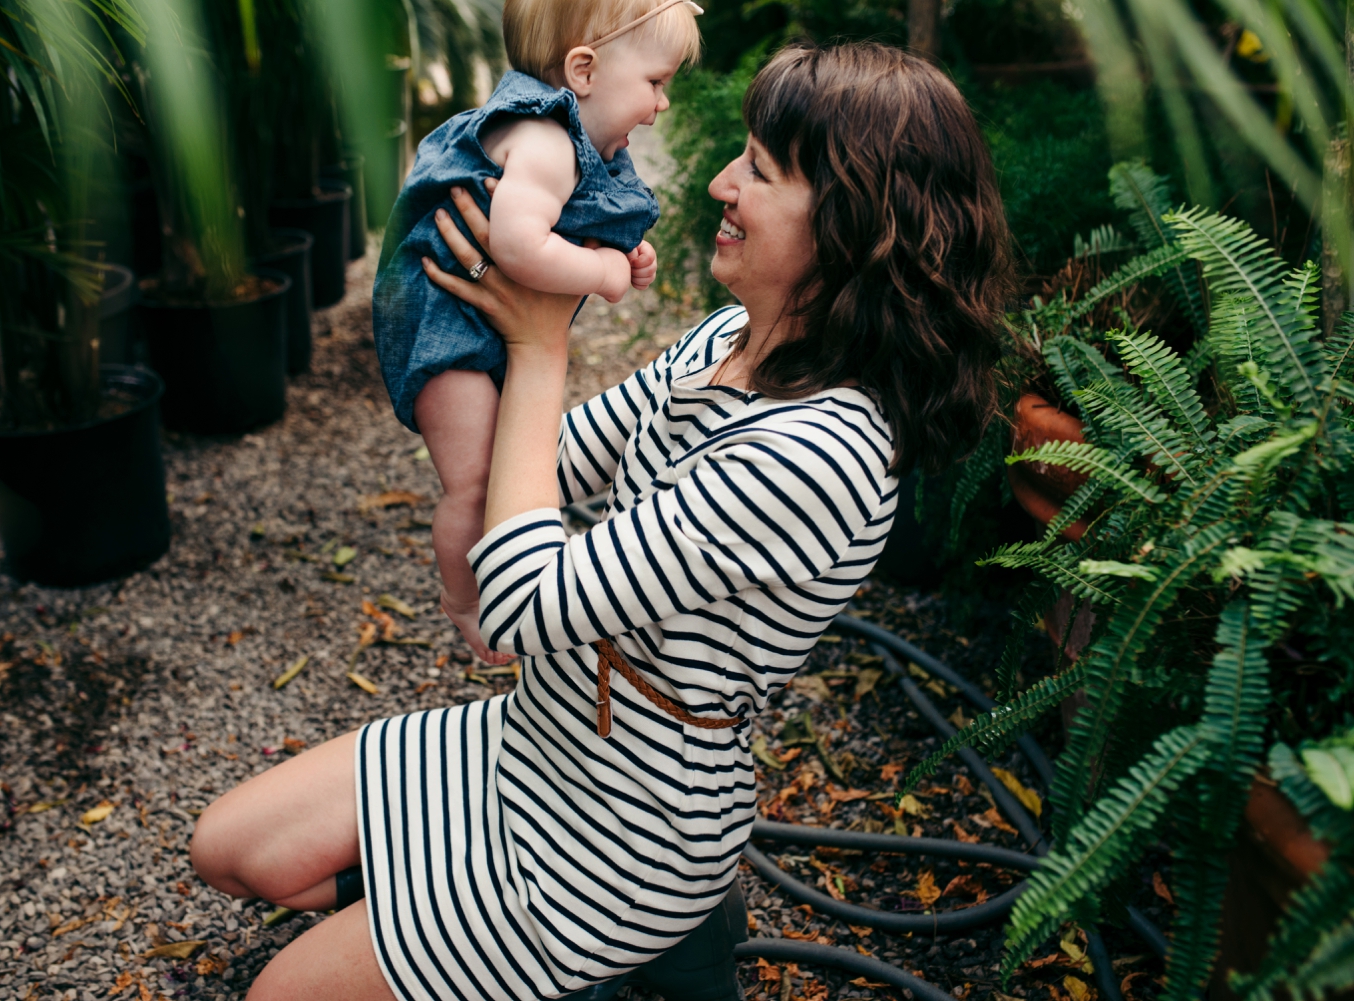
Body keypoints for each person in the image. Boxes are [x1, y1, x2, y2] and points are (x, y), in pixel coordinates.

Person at [191, 41, 1015, 1001]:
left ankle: (558, 946)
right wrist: (463, 330)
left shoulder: (818, 453)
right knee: (232, 850)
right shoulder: (730, 342)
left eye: (759, 167)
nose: (719, 180)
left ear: (854, 224)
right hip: (541, 735)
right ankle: (455, 928)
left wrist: (538, 343)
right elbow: (552, 461)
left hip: (626, 835)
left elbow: (520, 603)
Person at [372, 0, 703, 666]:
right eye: (656, 82)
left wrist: (624, 252)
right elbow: (519, 246)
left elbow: (571, 227)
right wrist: (605, 272)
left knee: (508, 464)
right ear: (583, 69)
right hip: (446, 335)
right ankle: (464, 601)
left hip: (473, 326)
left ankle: (504, 574)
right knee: (475, 482)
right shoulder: (546, 141)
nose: (662, 104)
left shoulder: (573, 139)